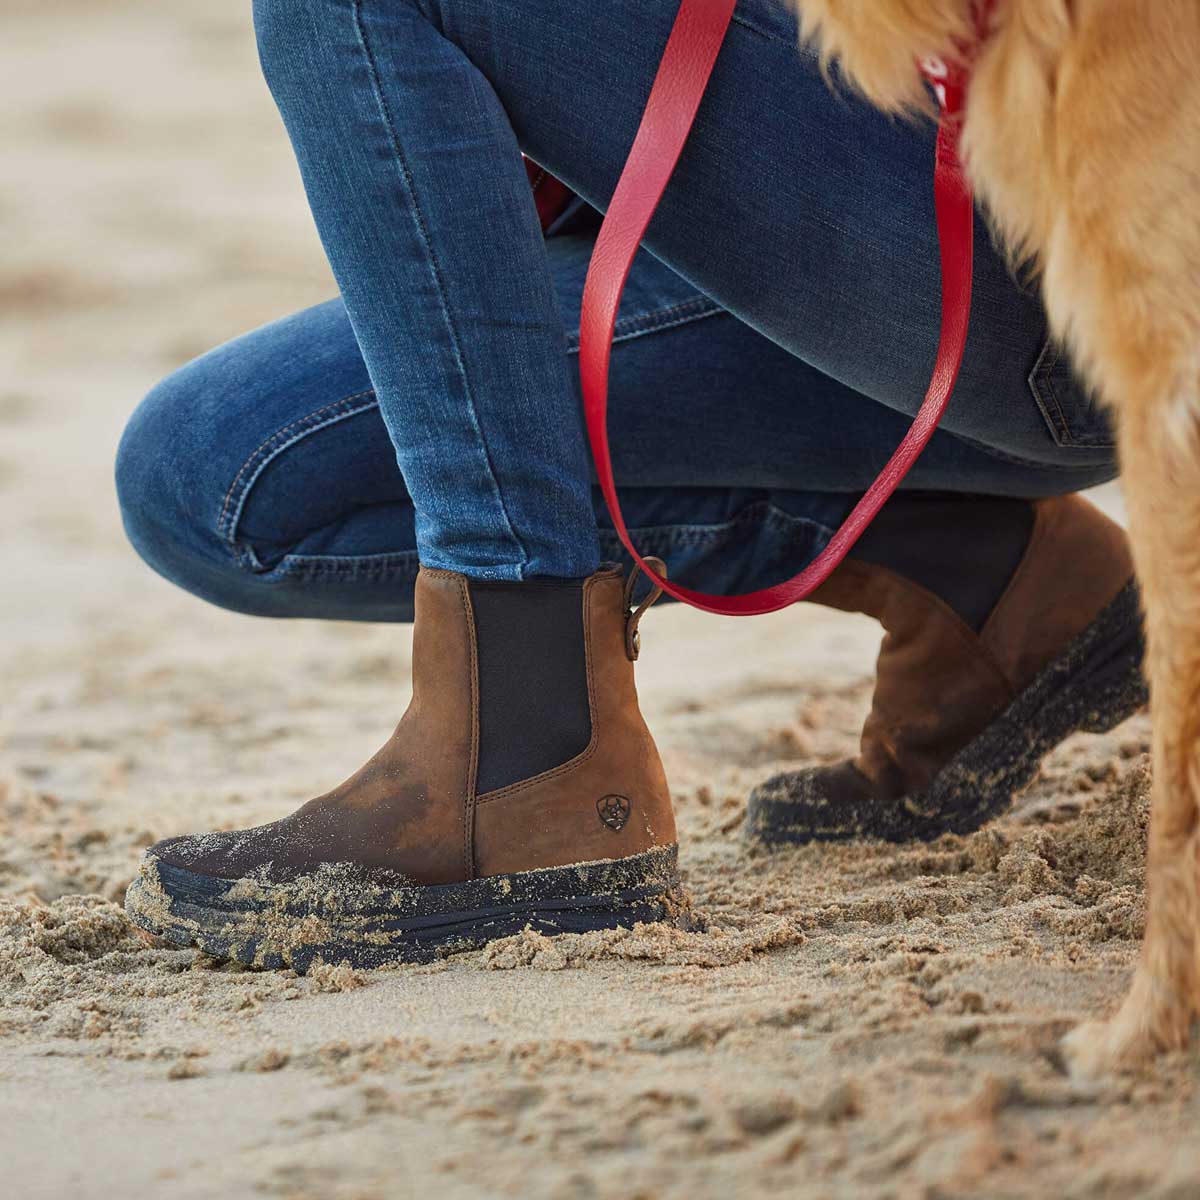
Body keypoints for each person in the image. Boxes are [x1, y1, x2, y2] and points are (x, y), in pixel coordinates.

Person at [115, 0, 1142, 966]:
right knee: (210, 480)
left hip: (1076, 228)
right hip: (882, 244)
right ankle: (979, 577)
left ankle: (527, 743)